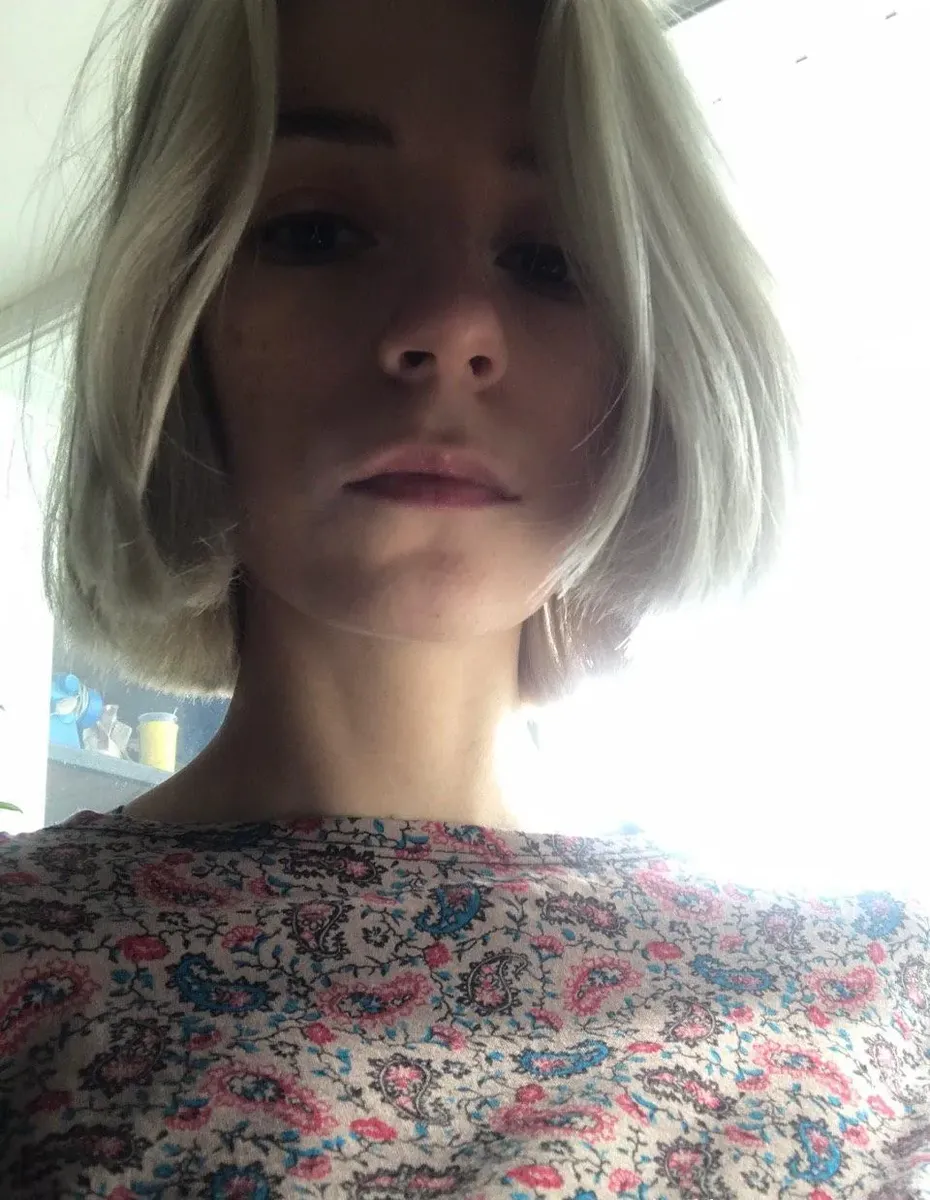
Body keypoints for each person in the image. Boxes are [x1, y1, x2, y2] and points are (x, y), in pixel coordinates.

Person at [1, 0, 928, 1195]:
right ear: (180, 319)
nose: (449, 329)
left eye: (552, 258)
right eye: (319, 231)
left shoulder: (874, 996)